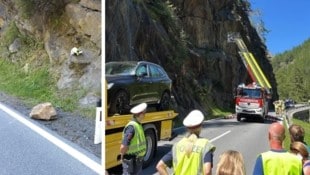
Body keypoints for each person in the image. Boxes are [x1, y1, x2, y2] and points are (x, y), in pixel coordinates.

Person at [156, 110, 216, 175]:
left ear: (187, 128)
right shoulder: (205, 145)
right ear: (201, 126)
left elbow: (160, 166)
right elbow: (207, 171)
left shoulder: (178, 145)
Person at [120, 103, 147, 175]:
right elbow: (123, 146)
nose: (145, 115)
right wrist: (122, 156)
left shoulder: (138, 124)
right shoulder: (131, 127)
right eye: (144, 113)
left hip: (137, 160)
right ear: (140, 114)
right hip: (131, 160)